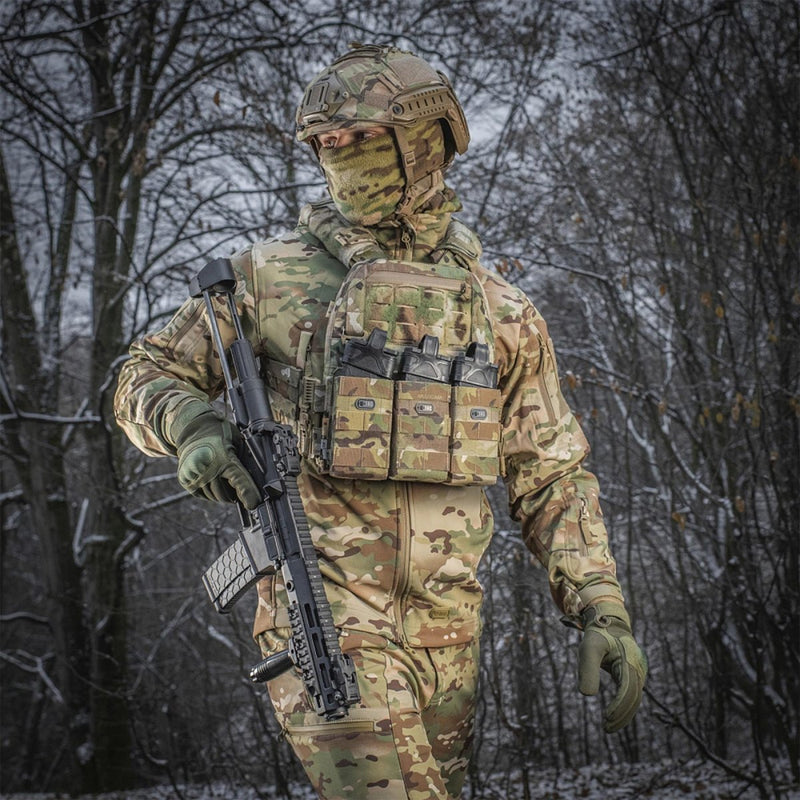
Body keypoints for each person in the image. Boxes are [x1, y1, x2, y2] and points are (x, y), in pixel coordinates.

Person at [114, 43, 647, 800]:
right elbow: (144, 373)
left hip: (450, 638)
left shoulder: (499, 310)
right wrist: (192, 424)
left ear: (425, 142)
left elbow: (551, 473)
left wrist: (600, 605)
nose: (341, 160)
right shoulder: (265, 280)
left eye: (360, 140)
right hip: (325, 619)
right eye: (327, 146)